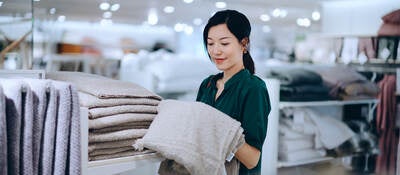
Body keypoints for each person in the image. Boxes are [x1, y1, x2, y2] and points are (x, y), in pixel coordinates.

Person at [196, 9, 271, 175]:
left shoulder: (254, 89)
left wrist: (219, 128)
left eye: (224, 43)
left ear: (244, 44)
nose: (216, 51)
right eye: (210, 43)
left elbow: (252, 160)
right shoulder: (207, 85)